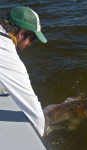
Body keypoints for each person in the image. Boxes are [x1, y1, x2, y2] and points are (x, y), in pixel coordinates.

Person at [0, 6, 47, 136]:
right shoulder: (4, 50)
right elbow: (35, 114)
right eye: (32, 38)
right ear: (21, 33)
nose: (30, 44)